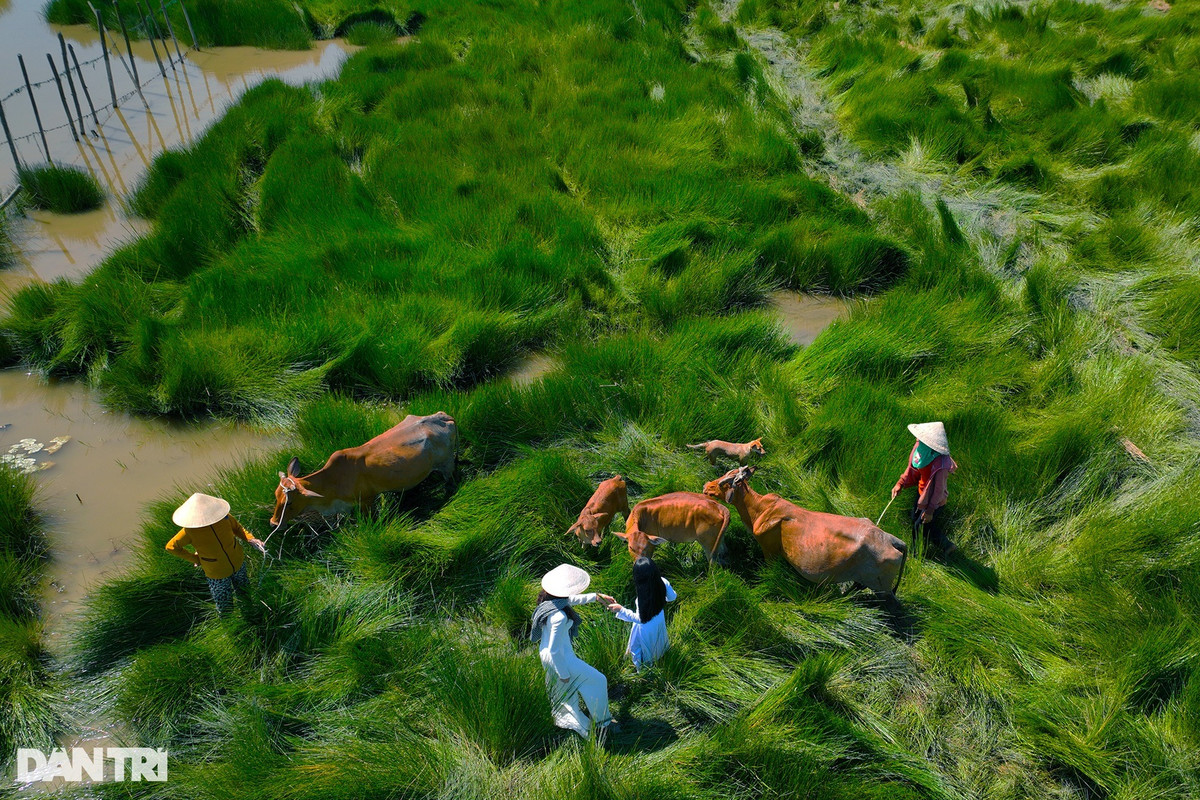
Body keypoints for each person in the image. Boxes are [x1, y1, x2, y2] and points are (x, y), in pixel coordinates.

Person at [530, 564, 617, 738]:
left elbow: (572, 600)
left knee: (563, 693)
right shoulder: (560, 616)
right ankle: (602, 722)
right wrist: (563, 673)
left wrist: (596, 597)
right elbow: (556, 650)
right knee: (598, 680)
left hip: (545, 653)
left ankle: (571, 720)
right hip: (561, 657)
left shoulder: (549, 603)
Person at [165, 493, 266, 614]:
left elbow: (238, 528)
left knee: (245, 593)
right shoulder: (189, 531)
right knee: (224, 604)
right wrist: (196, 559)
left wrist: (250, 539)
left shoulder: (224, 518)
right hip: (216, 573)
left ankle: (249, 613)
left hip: (237, 561)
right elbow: (171, 547)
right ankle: (230, 626)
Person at [891, 421, 959, 554]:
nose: (917, 439)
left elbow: (938, 490)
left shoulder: (942, 463)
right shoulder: (920, 447)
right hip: (922, 494)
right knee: (918, 520)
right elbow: (912, 468)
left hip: (934, 501)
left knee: (919, 526)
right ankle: (947, 546)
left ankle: (916, 553)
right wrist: (900, 483)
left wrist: (930, 511)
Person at [606, 557, 676, 671]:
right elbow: (672, 597)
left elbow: (640, 619)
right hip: (659, 619)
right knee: (657, 643)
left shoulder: (642, 596)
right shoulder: (663, 581)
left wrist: (621, 609)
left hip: (645, 628)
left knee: (641, 649)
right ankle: (658, 660)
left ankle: (642, 671)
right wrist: (661, 600)